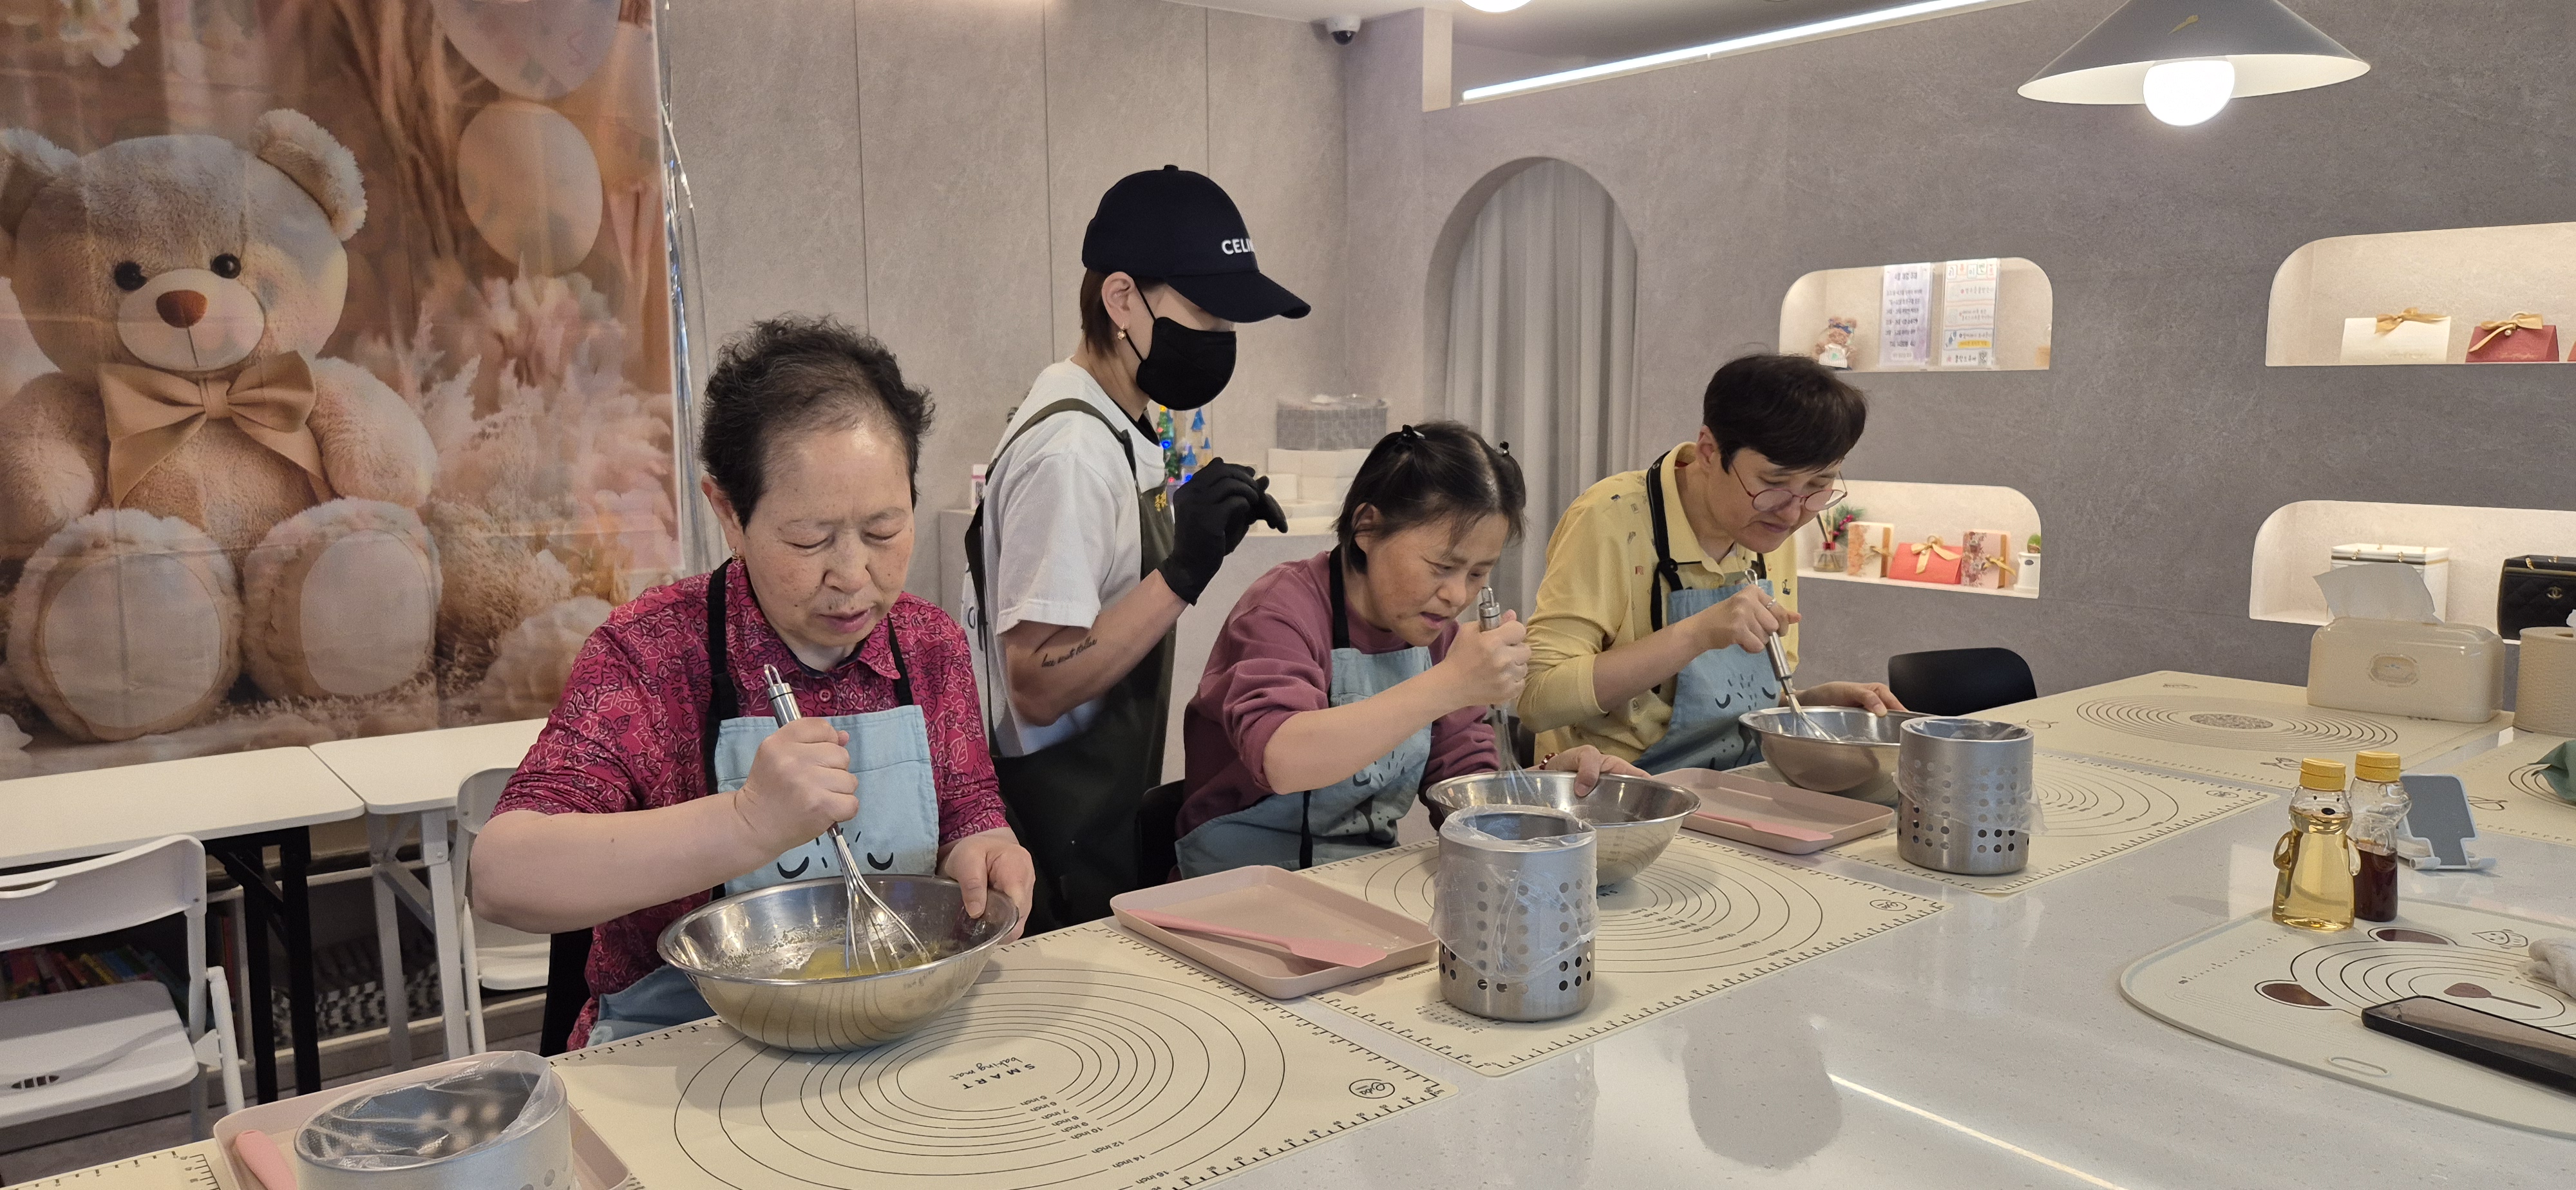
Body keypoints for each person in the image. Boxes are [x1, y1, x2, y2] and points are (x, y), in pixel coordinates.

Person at [475, 317, 1034, 1046]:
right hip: (685, 1041)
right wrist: (746, 824)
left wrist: (984, 853)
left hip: (888, 1020)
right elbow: (502, 875)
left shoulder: (928, 646)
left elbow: (968, 815)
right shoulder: (652, 654)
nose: (853, 575)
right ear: (729, 515)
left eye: (883, 530)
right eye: (809, 539)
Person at [965, 166, 1300, 929]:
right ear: (1121, 299)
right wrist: (1181, 574)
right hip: (1055, 823)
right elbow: (1036, 683)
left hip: (1100, 803)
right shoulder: (1071, 452)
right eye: (1206, 312)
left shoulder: (1118, 420)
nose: (1221, 339)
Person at [1175, 422, 1646, 876]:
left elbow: (1466, 798)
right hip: (1236, 883)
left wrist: (1546, 789)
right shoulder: (1283, 609)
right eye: (1441, 566)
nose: (1457, 595)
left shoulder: (1435, 636)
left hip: (1357, 876)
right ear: (1366, 527)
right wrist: (1450, 684)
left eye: (1478, 574)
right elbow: (1283, 759)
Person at [1519, 354, 1903, 773]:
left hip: (1735, 779)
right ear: (1708, 451)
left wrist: (1811, 703)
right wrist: (1696, 634)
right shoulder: (1609, 519)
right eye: (1772, 483)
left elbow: (1723, 705)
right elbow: (1538, 699)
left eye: (1819, 484)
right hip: (1621, 787)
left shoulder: (1771, 525)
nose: (1794, 514)